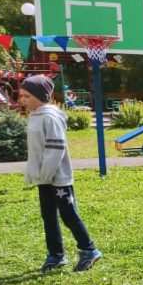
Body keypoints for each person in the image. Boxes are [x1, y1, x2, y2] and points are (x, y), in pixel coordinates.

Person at [19, 75, 102, 272]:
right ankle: (56, 255)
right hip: (44, 178)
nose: (22, 100)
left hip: (58, 180)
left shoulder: (49, 117)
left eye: (27, 96)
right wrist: (36, 174)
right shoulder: (36, 115)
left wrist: (46, 174)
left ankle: (89, 249)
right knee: (48, 216)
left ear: (40, 96)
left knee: (68, 215)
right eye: (21, 96)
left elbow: (56, 149)